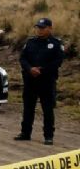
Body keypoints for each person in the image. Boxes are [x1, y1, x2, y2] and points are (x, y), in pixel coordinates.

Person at [15, 17, 64, 145]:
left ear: (49, 28)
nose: (39, 30)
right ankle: (25, 133)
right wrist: (30, 69)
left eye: (42, 28)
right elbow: (23, 58)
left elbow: (57, 62)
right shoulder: (31, 42)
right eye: (38, 28)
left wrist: (41, 70)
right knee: (28, 108)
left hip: (46, 81)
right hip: (30, 80)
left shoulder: (56, 44)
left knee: (47, 109)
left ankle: (48, 136)